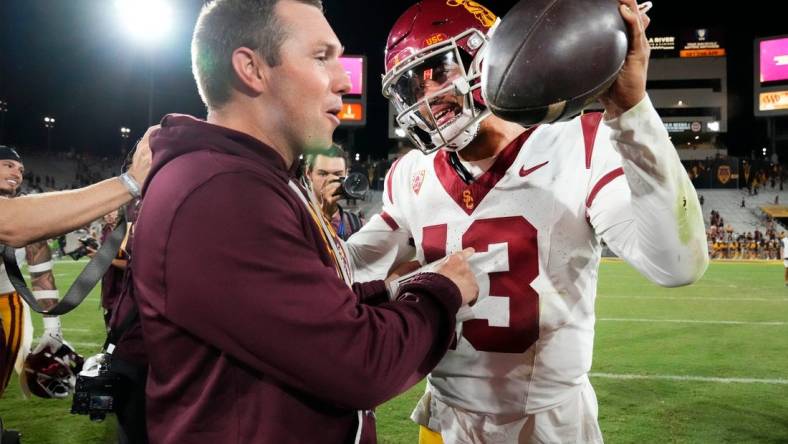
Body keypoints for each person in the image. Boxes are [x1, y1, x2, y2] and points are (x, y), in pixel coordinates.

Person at [346, 0, 709, 442]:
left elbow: (676, 265)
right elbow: (346, 270)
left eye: (439, 71)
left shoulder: (581, 143)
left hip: (547, 426)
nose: (428, 99)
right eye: (412, 87)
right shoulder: (411, 174)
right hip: (445, 422)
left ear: (490, 58)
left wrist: (631, 112)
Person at [131, 0, 479, 442]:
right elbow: (360, 364)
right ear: (252, 69)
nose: (345, 79)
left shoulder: (250, 177)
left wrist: (392, 289)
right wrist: (440, 292)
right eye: (321, 57)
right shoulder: (221, 193)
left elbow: (308, 312)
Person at [0, 133, 151, 248]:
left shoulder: (27, 218)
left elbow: (42, 278)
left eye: (21, 170)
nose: (17, 174)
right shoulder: (14, 219)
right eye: (8, 165)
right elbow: (13, 223)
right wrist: (131, 181)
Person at [305, 144, 364, 240]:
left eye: (337, 174)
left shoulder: (357, 225)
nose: (330, 180)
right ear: (308, 173)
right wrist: (325, 217)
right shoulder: (296, 219)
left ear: (346, 174)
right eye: (323, 174)